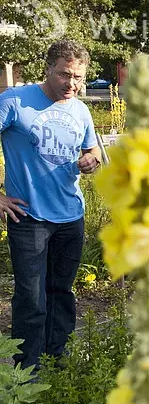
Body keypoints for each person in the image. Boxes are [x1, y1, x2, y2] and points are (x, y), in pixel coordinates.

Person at [0, 39, 101, 369]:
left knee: (62, 292)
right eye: (64, 75)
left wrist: (92, 159)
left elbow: (94, 150)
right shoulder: (15, 100)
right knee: (31, 299)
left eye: (78, 77)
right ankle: (26, 371)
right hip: (28, 216)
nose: (72, 84)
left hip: (71, 216)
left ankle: (57, 359)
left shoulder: (81, 109)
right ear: (47, 69)